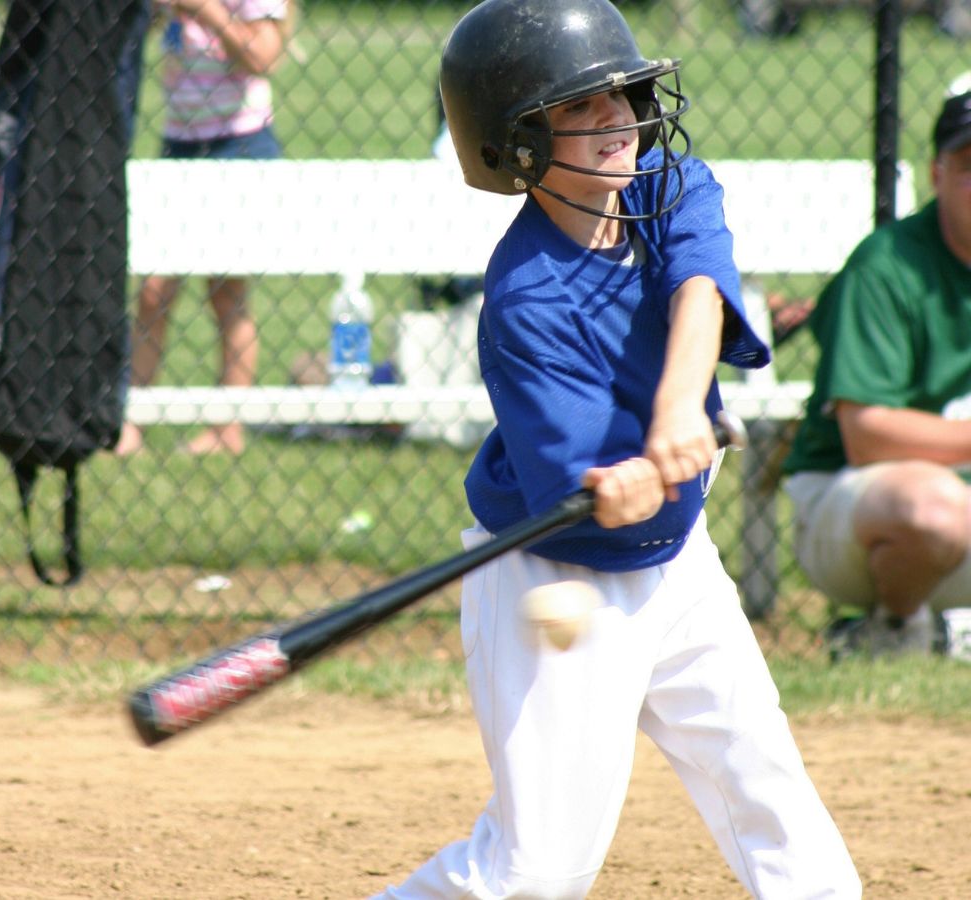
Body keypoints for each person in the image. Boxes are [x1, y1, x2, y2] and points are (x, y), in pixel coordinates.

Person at [375, 1, 861, 897]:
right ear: (517, 142)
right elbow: (583, 488)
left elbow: (701, 285)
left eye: (624, 95)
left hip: (680, 564)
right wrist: (623, 480)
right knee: (536, 873)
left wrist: (679, 409)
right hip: (559, 580)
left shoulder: (667, 187)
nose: (618, 118)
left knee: (767, 791)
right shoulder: (525, 303)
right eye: (581, 106)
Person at [781, 73, 971, 659]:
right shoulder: (887, 267)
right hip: (856, 504)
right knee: (935, 510)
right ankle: (895, 631)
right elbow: (867, 437)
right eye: (970, 163)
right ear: (936, 174)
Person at [116, 0, 293, 456]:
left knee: (227, 290)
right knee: (154, 289)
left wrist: (208, 11)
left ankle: (226, 427)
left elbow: (264, 57)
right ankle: (130, 420)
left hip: (239, 143)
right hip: (181, 142)